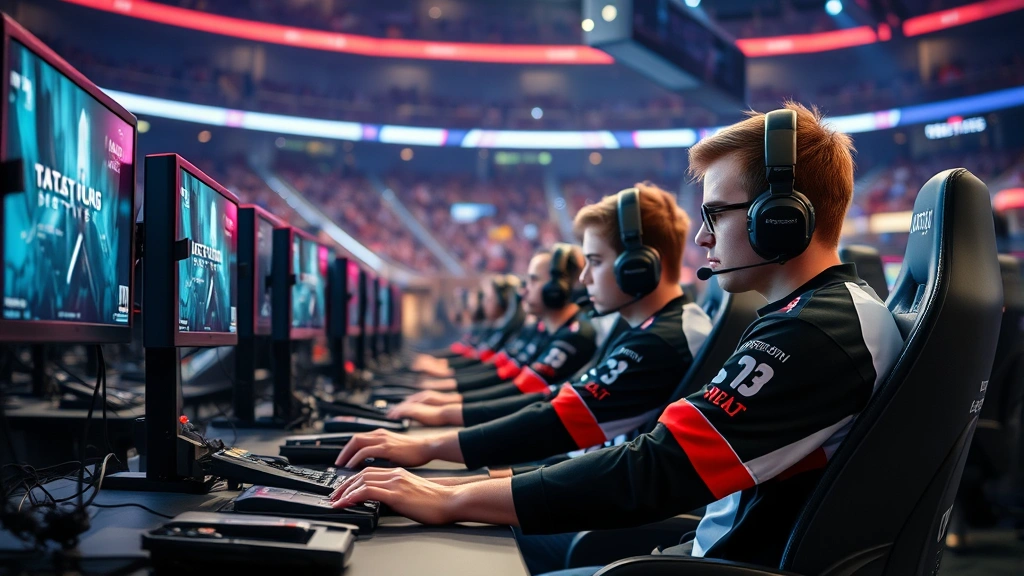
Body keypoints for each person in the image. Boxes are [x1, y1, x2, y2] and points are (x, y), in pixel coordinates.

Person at [328, 103, 905, 574]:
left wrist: (448, 489)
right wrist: (454, 476)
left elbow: (653, 468)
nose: (704, 238)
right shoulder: (816, 316)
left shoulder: (814, 331)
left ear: (779, 217)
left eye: (717, 215)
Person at [334, 182, 710, 471]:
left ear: (638, 266)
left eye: (594, 261)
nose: (584, 277)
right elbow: (555, 400)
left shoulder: (665, 338)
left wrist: (433, 446)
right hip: (576, 476)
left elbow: (555, 419)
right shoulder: (643, 328)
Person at [388, 244, 599, 427]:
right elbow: (503, 373)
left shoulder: (574, 336)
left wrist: (446, 406)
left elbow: (520, 391)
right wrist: (444, 397)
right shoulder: (541, 331)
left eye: (533, 281)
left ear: (556, 289)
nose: (524, 291)